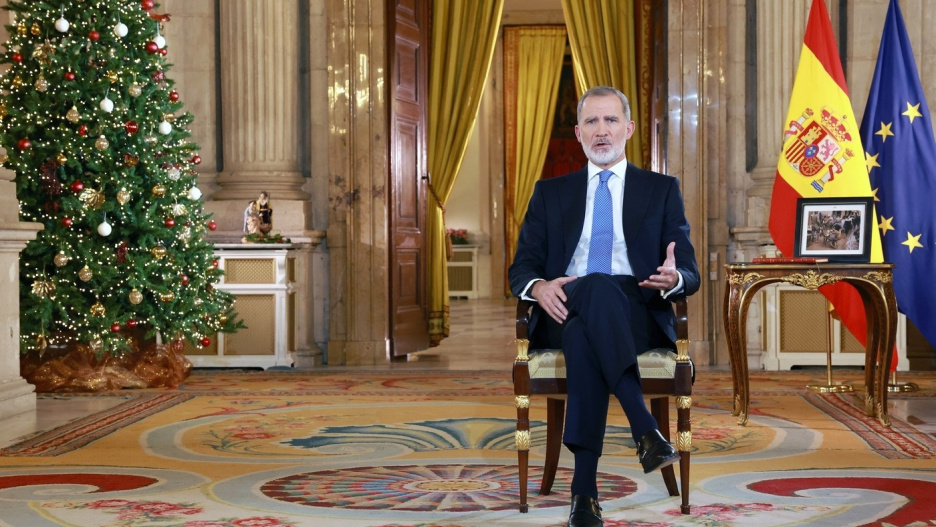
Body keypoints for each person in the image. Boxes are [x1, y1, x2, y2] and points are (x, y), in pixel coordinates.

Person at [508, 86, 700, 527]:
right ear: (578, 133)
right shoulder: (550, 193)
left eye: (610, 120)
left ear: (628, 129)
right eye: (591, 122)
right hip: (564, 303)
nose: (601, 131)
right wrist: (538, 288)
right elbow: (522, 268)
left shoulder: (661, 189)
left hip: (634, 309)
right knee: (590, 290)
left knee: (584, 335)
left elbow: (688, 269)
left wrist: (675, 278)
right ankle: (644, 428)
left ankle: (584, 494)